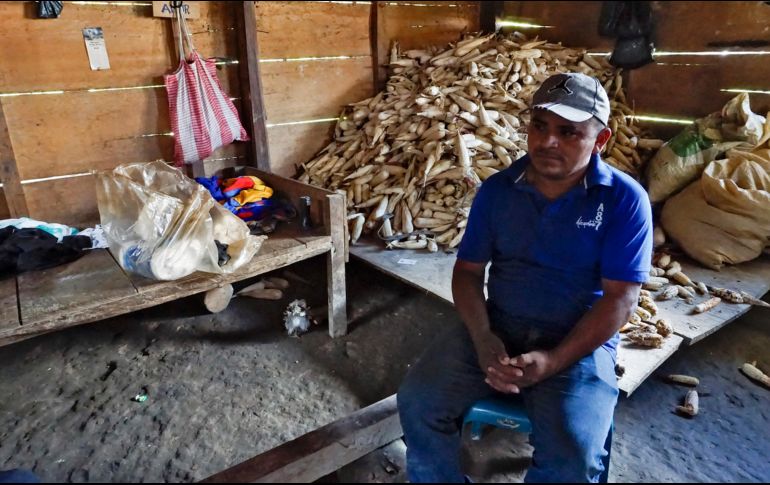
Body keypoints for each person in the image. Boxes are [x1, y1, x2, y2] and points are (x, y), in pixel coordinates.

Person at [397, 72, 653, 483]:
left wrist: (554, 361)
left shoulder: (624, 200)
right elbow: (467, 273)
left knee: (574, 453)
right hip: (501, 325)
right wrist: (483, 338)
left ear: (600, 139)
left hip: (578, 342)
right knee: (417, 403)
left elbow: (620, 299)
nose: (548, 141)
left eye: (568, 132)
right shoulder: (498, 191)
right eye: (540, 125)